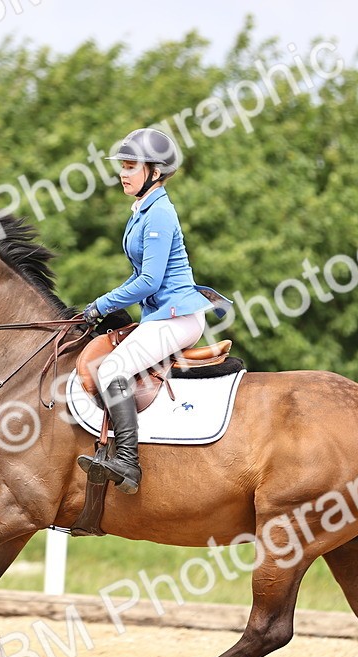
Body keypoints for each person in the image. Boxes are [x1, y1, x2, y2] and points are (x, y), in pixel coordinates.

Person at [79, 127, 231, 494]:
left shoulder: (159, 213)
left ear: (155, 172)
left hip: (177, 317)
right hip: (161, 314)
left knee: (112, 368)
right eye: (123, 166)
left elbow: (148, 281)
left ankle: (127, 463)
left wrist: (102, 304)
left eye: (131, 166)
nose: (123, 173)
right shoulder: (143, 209)